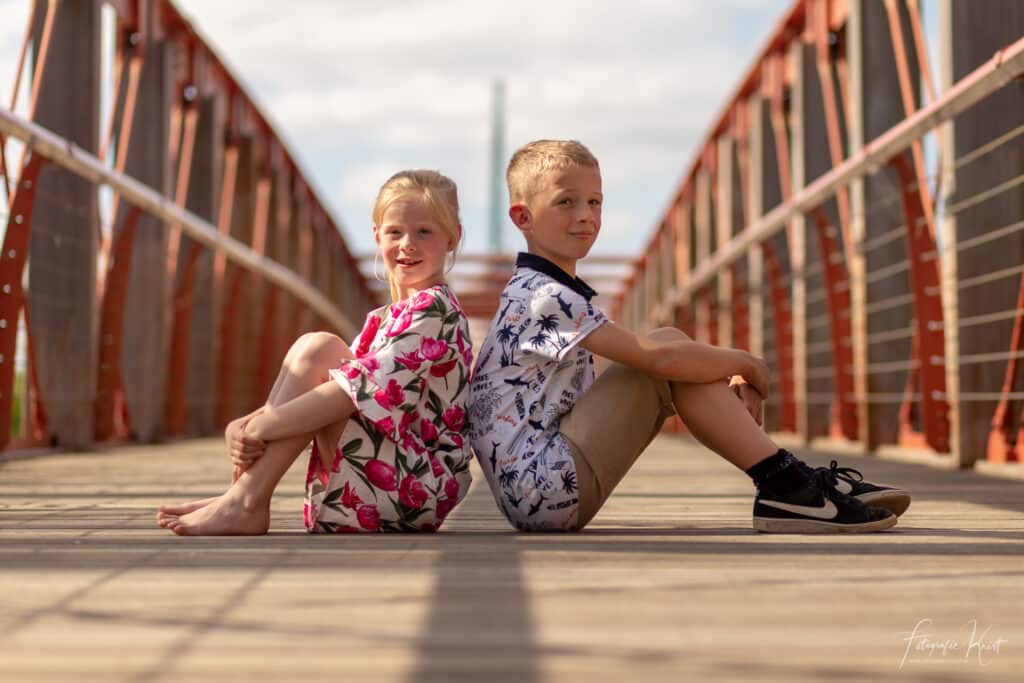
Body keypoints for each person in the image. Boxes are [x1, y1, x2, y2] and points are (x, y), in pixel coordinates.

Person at [468, 139, 911, 533]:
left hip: (538, 486)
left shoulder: (537, 291)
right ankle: (786, 482)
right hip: (542, 487)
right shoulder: (544, 297)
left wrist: (716, 366)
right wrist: (746, 363)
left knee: (668, 341)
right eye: (566, 203)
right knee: (665, 353)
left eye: (595, 202)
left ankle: (788, 482)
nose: (586, 216)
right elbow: (661, 362)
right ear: (523, 217)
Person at [157, 170, 474, 535]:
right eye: (395, 232)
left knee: (322, 349)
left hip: (419, 488)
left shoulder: (435, 311)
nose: (407, 244)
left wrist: (261, 425)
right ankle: (242, 497)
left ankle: (245, 501)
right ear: (376, 237)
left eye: (425, 232)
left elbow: (346, 393)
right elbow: (328, 389)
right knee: (317, 349)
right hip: (394, 474)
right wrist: (243, 424)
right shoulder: (385, 318)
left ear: (453, 238)